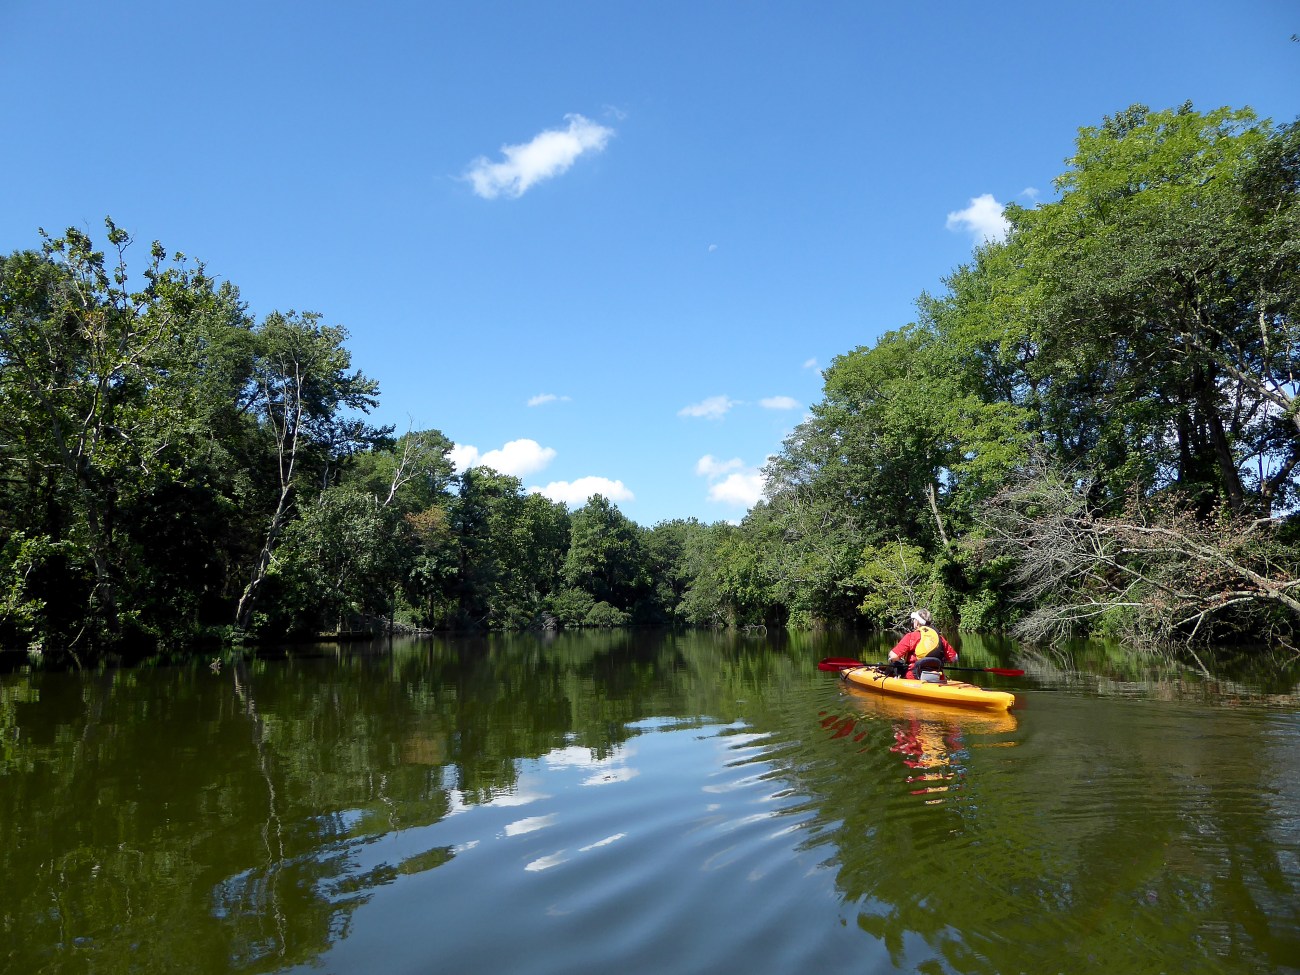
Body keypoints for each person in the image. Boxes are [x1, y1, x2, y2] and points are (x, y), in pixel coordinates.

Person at [883, 609, 957, 680]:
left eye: (914, 620)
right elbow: (954, 658)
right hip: (937, 677)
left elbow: (893, 656)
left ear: (917, 622)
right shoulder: (940, 638)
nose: (913, 622)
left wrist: (899, 661)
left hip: (914, 677)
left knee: (895, 666)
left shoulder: (911, 636)